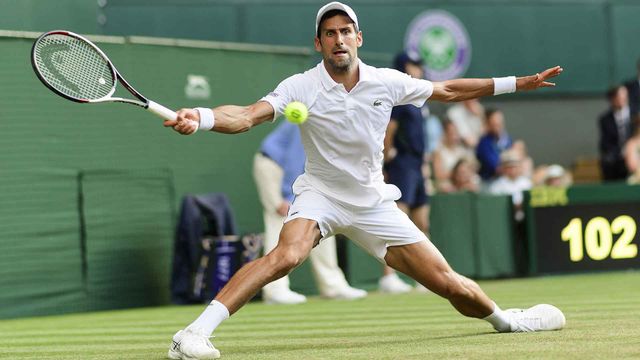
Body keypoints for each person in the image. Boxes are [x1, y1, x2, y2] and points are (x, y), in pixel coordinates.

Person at [164, 3, 565, 359]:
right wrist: (202, 117)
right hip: (320, 194)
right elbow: (248, 115)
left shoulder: (386, 81)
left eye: (344, 31)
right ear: (318, 43)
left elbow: (447, 89)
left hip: (372, 202)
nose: (338, 39)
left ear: (358, 37)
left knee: (450, 284)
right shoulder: (300, 86)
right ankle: (194, 333)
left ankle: (506, 320)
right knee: (285, 256)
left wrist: (517, 83)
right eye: (329, 33)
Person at [254, 120, 367, 304]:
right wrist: (286, 195)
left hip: (304, 173)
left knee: (320, 222)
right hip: (275, 168)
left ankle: (332, 285)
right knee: (281, 219)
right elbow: (294, 155)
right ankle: (275, 290)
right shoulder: (312, 117)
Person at [379, 51, 431, 294]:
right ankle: (389, 277)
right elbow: (390, 129)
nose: (419, 69)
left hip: (417, 164)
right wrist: (387, 159)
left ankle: (425, 275)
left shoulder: (417, 96)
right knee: (398, 221)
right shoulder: (399, 96)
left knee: (421, 222)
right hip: (401, 164)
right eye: (414, 65)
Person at [599, 85, 633, 181]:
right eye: (618, 96)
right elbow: (605, 142)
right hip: (617, 156)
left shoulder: (635, 115)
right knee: (607, 162)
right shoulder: (605, 119)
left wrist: (630, 151)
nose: (622, 99)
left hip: (634, 153)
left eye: (624, 96)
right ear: (612, 99)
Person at [432, 119, 477, 193]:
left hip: (461, 184)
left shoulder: (462, 152)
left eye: (456, 132)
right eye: (451, 133)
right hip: (447, 185)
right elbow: (438, 175)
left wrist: (463, 177)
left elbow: (471, 169)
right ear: (445, 133)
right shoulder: (439, 152)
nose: (454, 135)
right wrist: (457, 174)